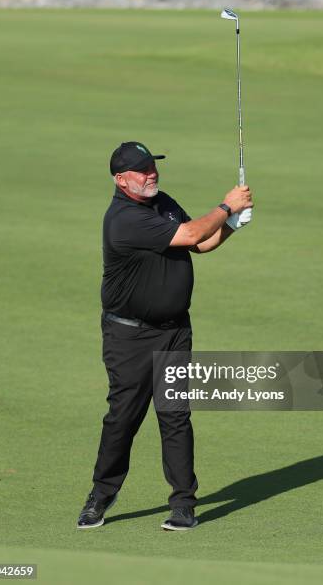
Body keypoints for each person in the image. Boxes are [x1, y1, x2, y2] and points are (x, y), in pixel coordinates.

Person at [77, 141, 253, 531]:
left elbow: (202, 242)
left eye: (152, 167)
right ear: (122, 180)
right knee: (123, 418)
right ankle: (101, 495)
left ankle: (183, 504)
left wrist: (232, 225)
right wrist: (227, 207)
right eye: (142, 170)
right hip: (129, 337)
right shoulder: (123, 218)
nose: (151, 173)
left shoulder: (163, 202)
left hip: (174, 332)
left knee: (175, 417)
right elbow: (190, 235)